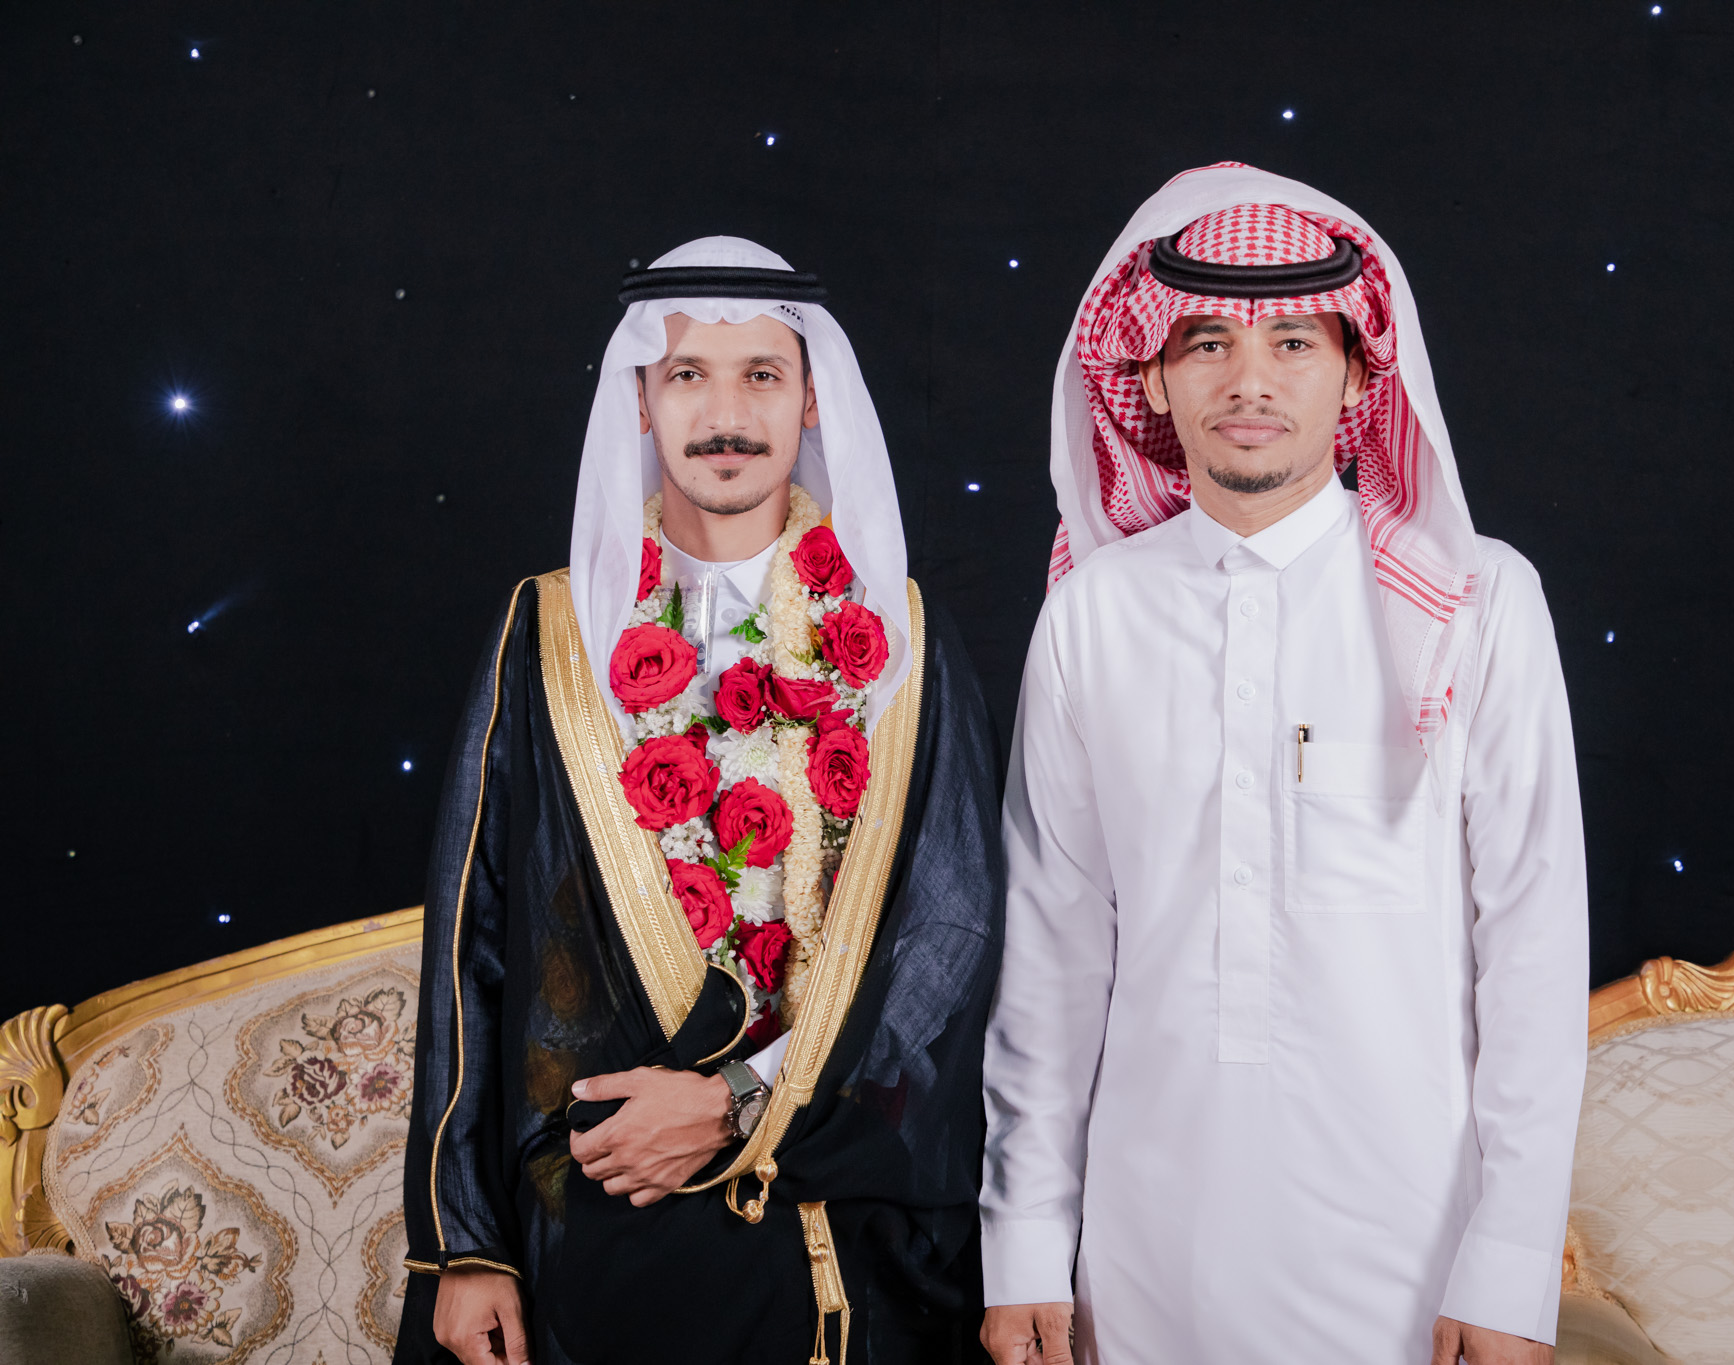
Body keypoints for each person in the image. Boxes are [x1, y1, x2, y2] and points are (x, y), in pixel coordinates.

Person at [980, 164, 1588, 1364]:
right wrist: (1025, 1239)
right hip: (1140, 1261)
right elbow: (1051, 957)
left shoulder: (1477, 601)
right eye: (1205, 343)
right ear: (1149, 375)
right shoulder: (1093, 614)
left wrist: (1511, 1262)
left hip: (1414, 1258)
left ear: (1359, 373)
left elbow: (1530, 947)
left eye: (1293, 344)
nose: (1248, 382)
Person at [395, 237, 1003, 1365]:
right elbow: (472, 942)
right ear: (640, 400)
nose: (726, 415)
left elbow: (951, 936)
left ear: (810, 398)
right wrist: (464, 1246)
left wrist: (741, 1098)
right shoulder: (550, 632)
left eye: (761, 375)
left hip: (831, 1221)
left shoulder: (900, 641)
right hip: (595, 1223)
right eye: (688, 375)